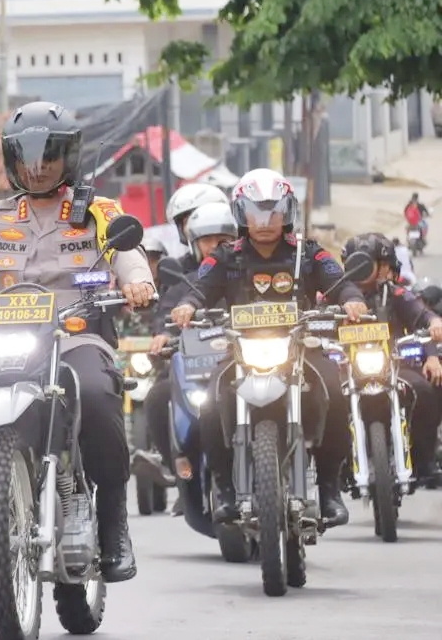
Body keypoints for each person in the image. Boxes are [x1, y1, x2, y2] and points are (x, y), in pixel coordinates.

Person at [0, 101, 156, 582]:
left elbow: (129, 257)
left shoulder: (99, 212)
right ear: (12, 161)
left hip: (78, 335)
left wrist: (137, 282)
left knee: (99, 401)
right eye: (27, 158)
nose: (37, 168)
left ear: (68, 157)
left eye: (48, 157)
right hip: (10, 339)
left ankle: (114, 527)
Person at [169, 168, 368, 527]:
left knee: (336, 393)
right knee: (210, 403)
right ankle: (225, 490)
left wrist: (352, 300)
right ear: (240, 213)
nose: (264, 221)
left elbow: (338, 281)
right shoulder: (225, 255)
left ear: (287, 211)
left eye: (272, 211)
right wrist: (187, 306)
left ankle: (328, 490)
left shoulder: (306, 252)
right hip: (240, 351)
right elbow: (199, 288)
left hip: (300, 348)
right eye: (255, 212)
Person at [141, 201, 238, 477]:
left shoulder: (245, 269)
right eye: (208, 240)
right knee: (157, 398)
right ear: (193, 242)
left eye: (224, 240)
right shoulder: (181, 274)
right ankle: (179, 469)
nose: (216, 246)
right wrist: (163, 335)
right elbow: (166, 312)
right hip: (194, 362)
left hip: (242, 360)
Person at [339, 233, 442, 484]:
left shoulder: (396, 295)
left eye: (386, 264)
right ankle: (332, 468)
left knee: (426, 389)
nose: (385, 269)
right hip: (345, 371)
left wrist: (434, 332)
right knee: (323, 398)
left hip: (393, 368)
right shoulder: (335, 296)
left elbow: (422, 319)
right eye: (379, 263)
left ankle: (424, 457)